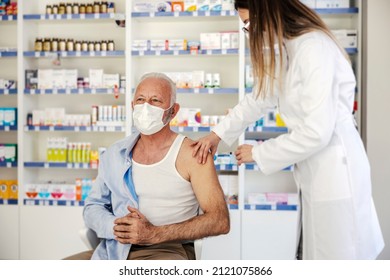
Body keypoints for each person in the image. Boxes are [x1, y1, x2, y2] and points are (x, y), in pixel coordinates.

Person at [192, 0, 384, 260]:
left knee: (339, 256)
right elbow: (259, 98)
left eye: (248, 23)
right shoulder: (288, 48)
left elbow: (316, 132)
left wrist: (258, 153)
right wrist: (217, 135)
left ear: (267, 12)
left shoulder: (313, 47)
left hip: (335, 170)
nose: (249, 31)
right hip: (315, 171)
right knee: (316, 252)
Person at [66, 72, 230, 260]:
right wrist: (118, 227)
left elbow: (220, 220)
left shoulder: (193, 154)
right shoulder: (115, 154)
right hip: (115, 249)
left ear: (173, 111)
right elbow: (93, 206)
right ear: (132, 106)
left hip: (166, 249)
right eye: (141, 100)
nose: (146, 107)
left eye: (155, 101)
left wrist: (154, 233)